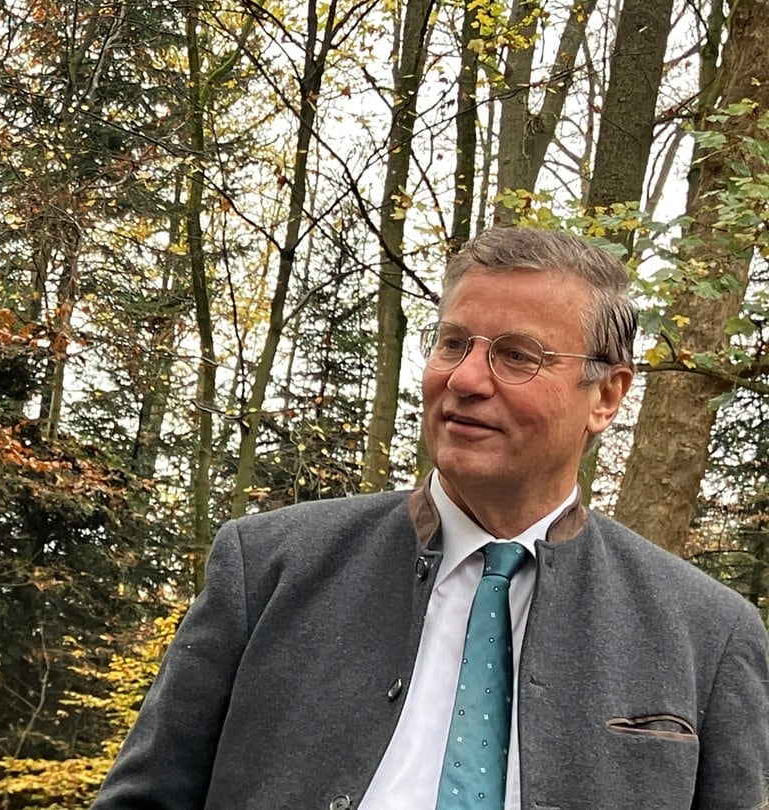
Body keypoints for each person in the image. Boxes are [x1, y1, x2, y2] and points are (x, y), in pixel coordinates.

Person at [92, 227, 769, 809]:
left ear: (607, 395)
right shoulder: (268, 567)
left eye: (516, 355)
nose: (467, 379)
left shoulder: (707, 635)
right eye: (453, 344)